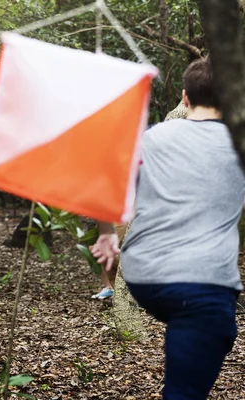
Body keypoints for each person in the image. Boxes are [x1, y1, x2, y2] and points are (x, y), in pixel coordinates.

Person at [91, 58, 244, 400]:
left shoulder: (151, 137)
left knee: (197, 322)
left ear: (185, 98)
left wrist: (105, 233)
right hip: (201, 282)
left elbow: (104, 182)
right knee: (208, 335)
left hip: (144, 276)